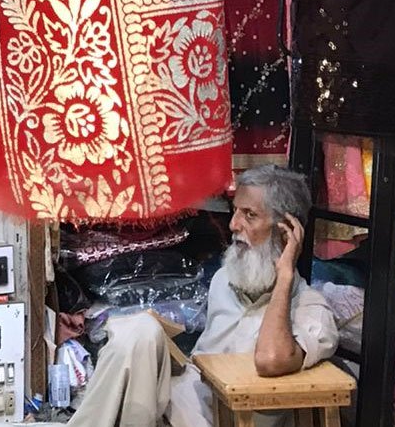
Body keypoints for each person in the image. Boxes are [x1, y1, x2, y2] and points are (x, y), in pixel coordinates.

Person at [67, 165, 339, 427]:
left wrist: (285, 277)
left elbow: (270, 360)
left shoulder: (311, 309)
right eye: (235, 212)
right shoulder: (225, 280)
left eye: (249, 215)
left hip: (219, 419)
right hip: (176, 404)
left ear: (285, 232)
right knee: (138, 330)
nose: (233, 224)